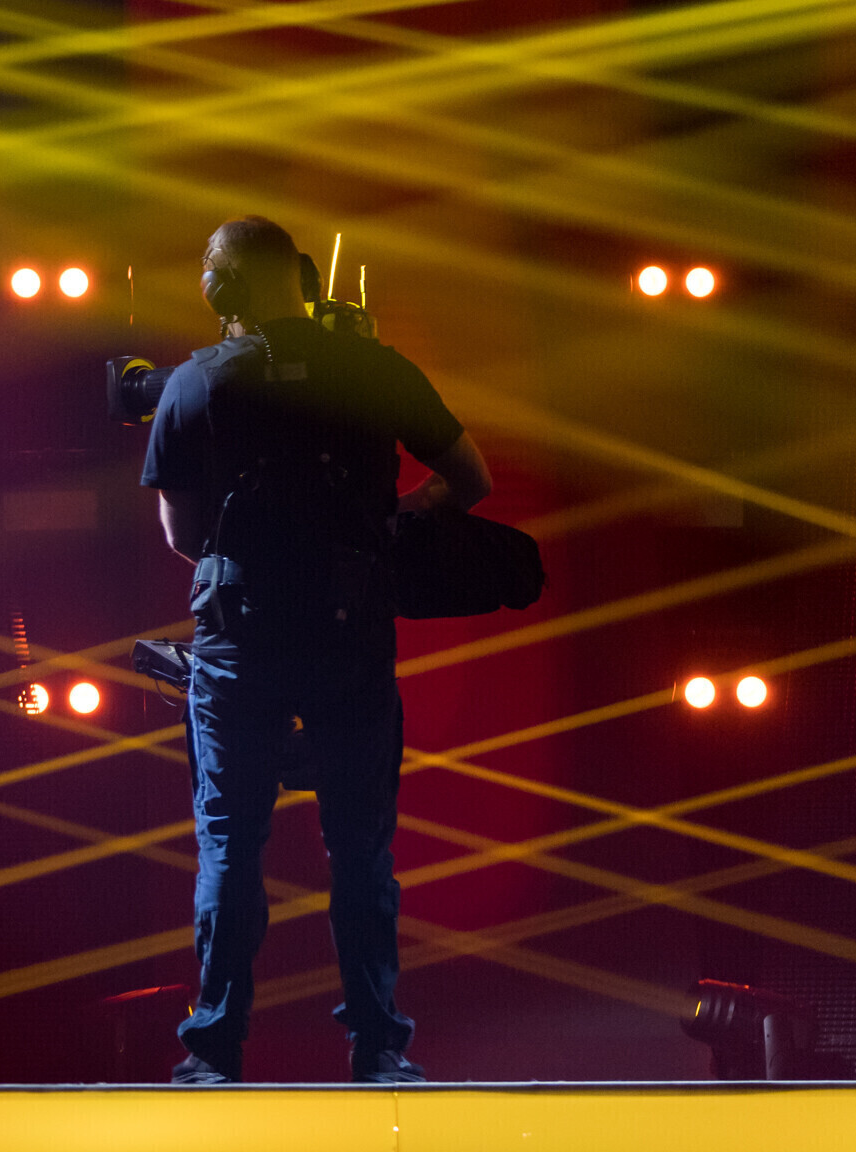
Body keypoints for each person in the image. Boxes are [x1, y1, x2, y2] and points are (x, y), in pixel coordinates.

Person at [142, 216, 491, 1085]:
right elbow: (472, 479)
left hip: (239, 647)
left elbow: (183, 537)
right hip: (351, 640)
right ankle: (380, 1049)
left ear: (223, 286)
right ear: (301, 275)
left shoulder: (194, 383)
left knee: (230, 846)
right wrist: (386, 521)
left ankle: (214, 1051)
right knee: (362, 852)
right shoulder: (376, 369)